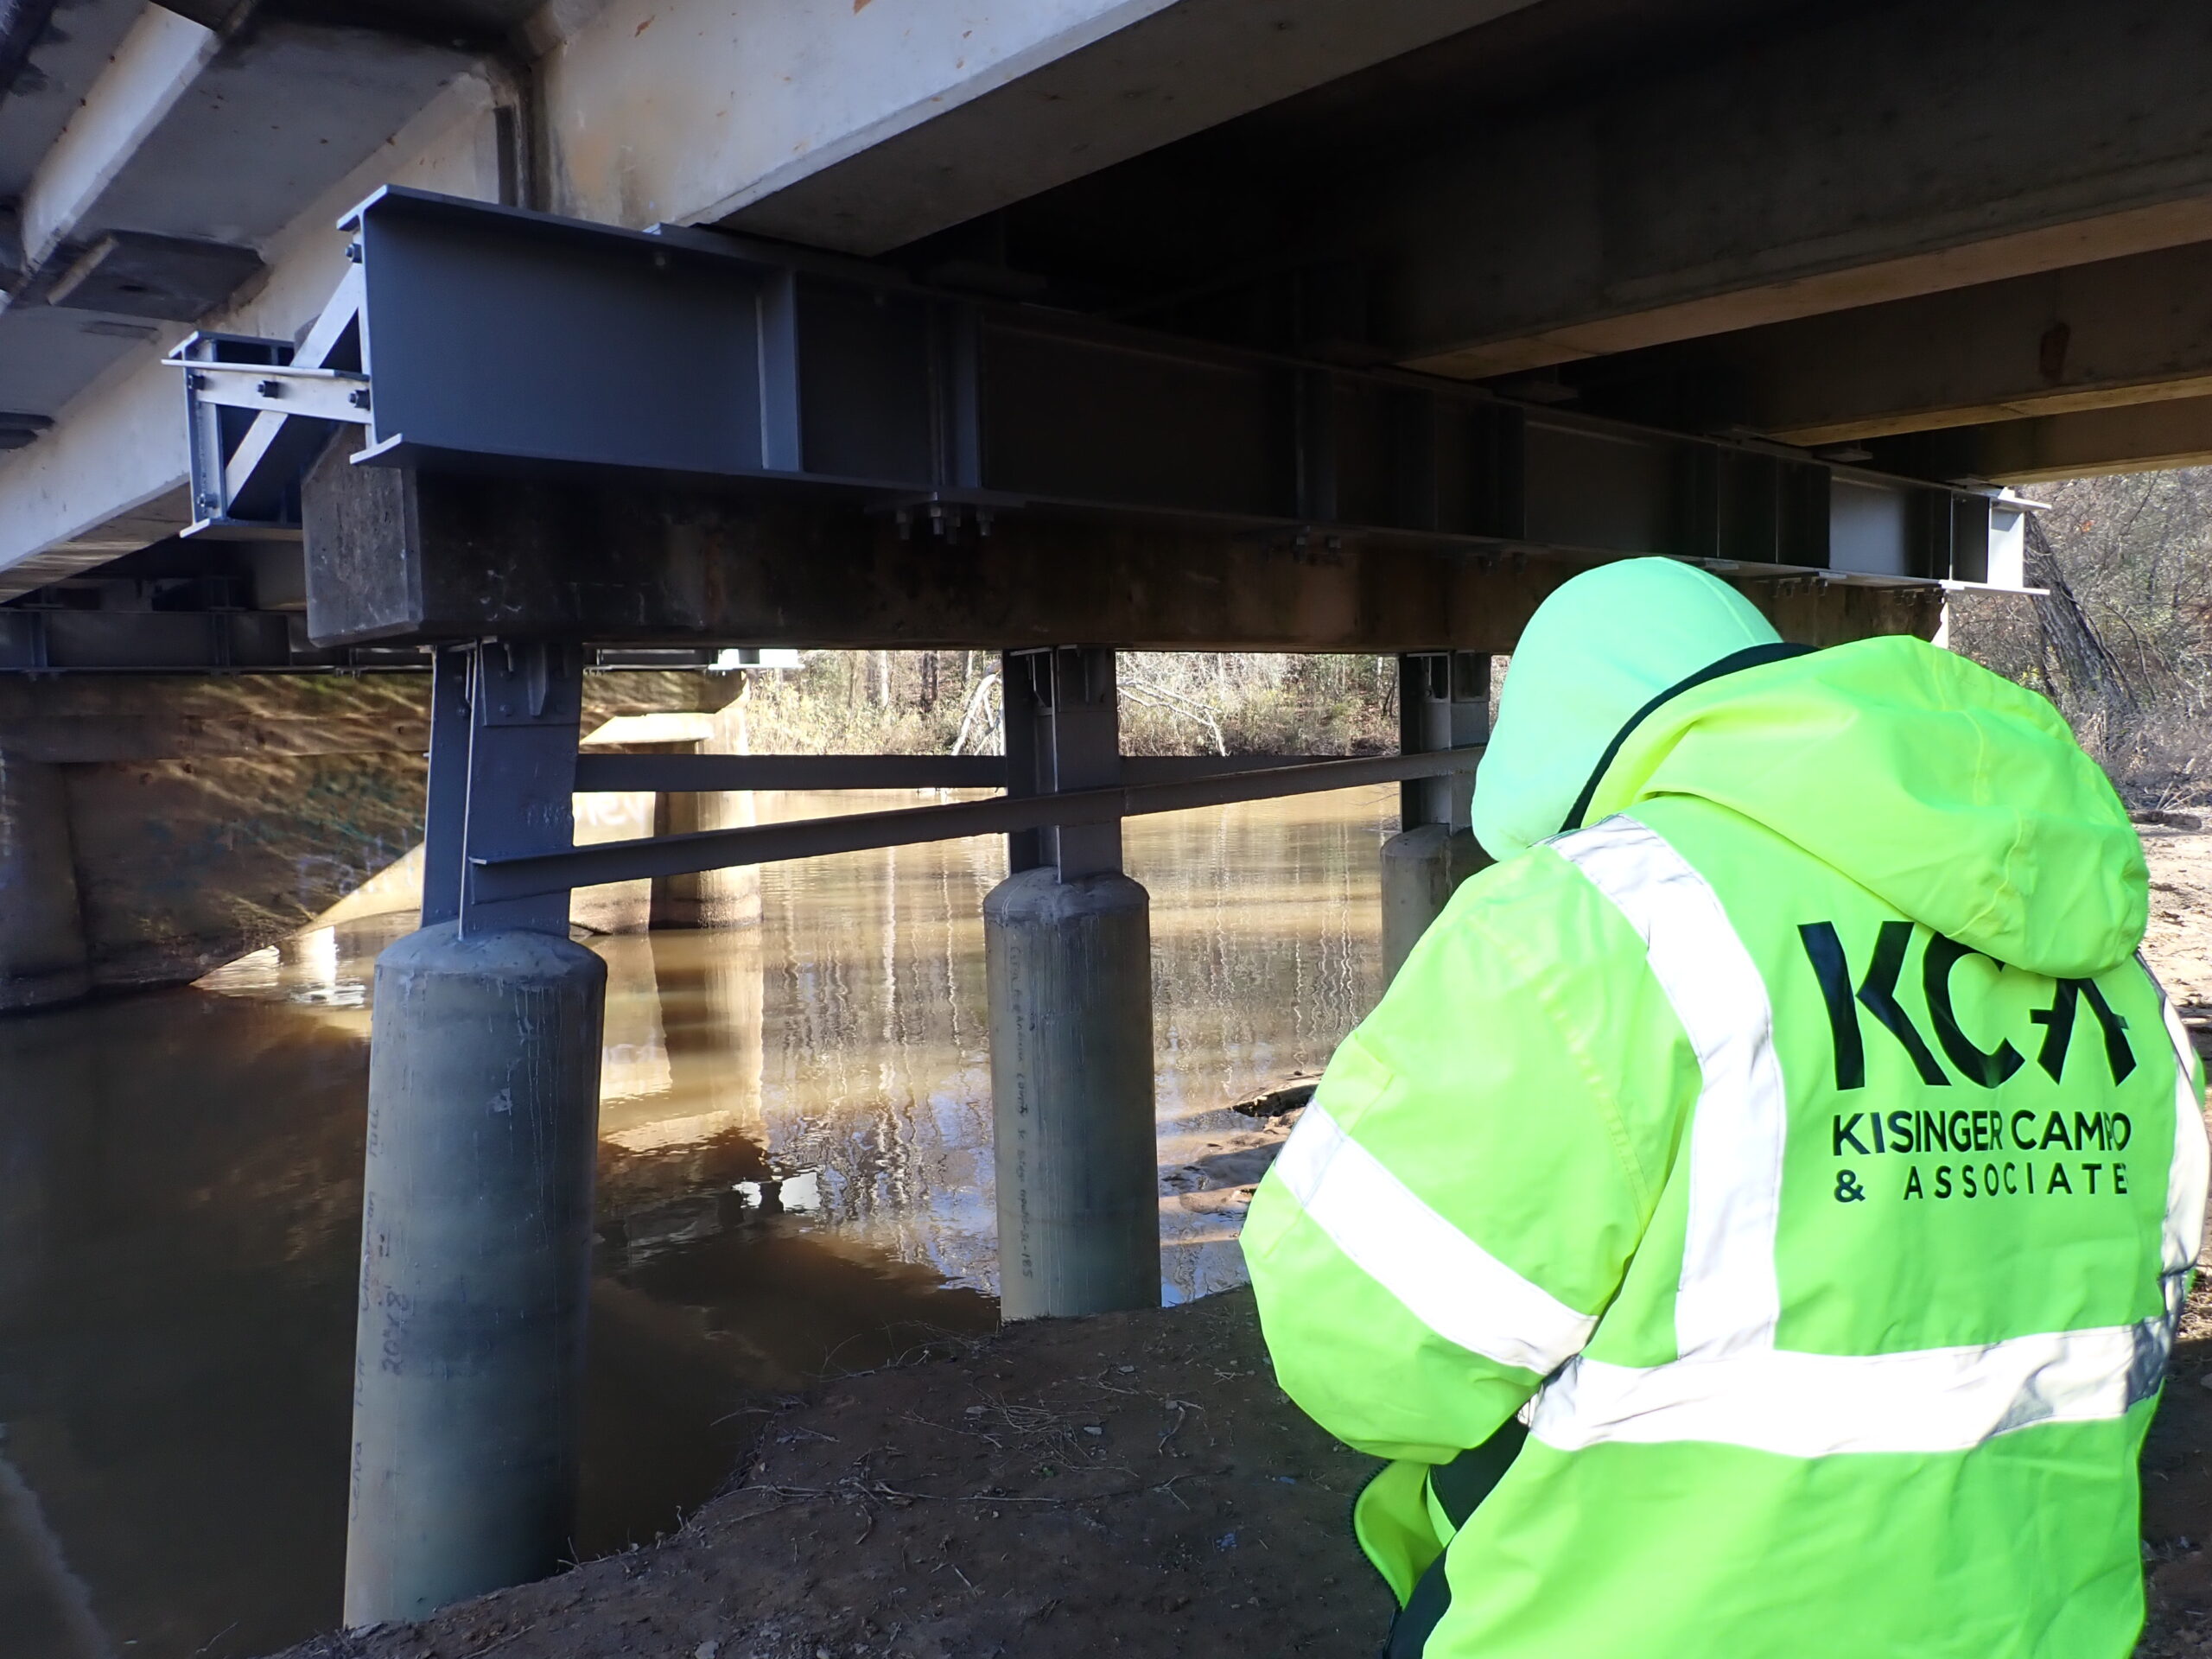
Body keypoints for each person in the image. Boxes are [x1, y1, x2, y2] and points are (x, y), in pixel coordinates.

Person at [1243, 556, 2210, 1657]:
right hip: (2033, 1625)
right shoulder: (2118, 979)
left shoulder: (1588, 919)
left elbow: (1368, 1358)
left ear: (1555, 749)